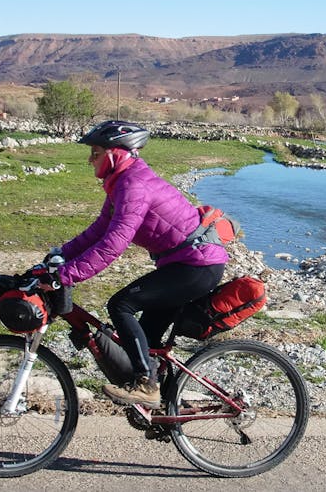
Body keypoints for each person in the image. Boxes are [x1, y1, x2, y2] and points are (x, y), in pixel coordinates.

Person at [42, 120, 227, 407]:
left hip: (197, 266)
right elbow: (98, 232)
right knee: (147, 346)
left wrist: (66, 275)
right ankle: (165, 408)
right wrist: (59, 256)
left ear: (115, 154)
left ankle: (147, 387)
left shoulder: (134, 185)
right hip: (185, 264)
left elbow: (113, 244)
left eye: (95, 152)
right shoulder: (122, 184)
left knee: (121, 305)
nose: (90, 159)